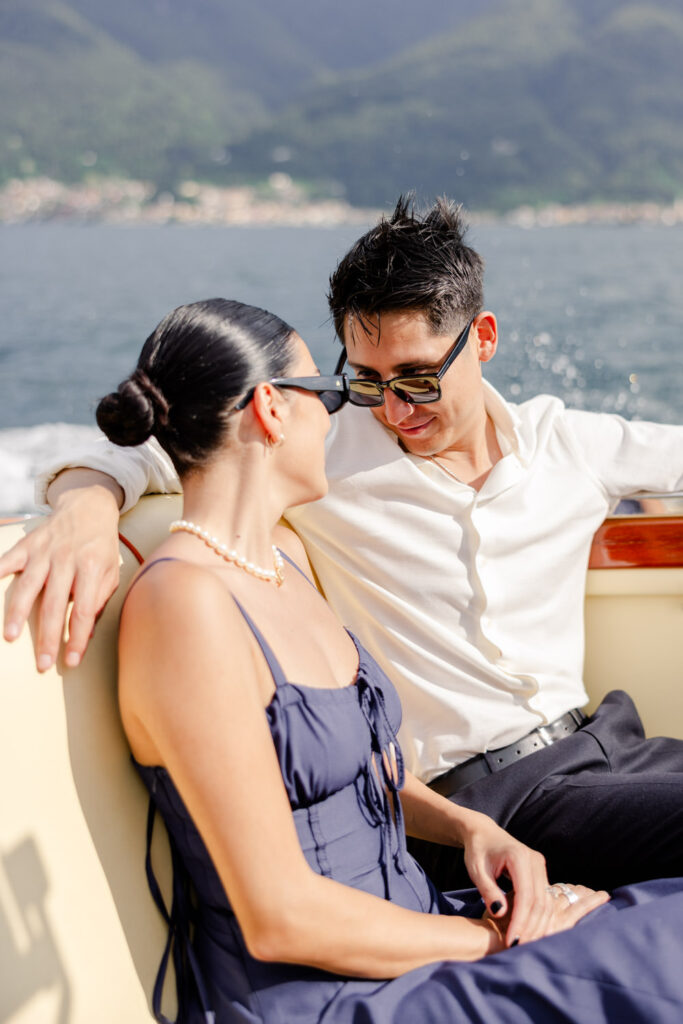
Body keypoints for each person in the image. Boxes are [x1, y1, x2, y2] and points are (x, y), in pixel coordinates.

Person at [2, 198, 683, 893]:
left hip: (611, 746)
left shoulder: (565, 443)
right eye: (365, 382)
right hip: (483, 803)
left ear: (481, 338)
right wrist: (86, 508)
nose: (394, 409)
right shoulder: (321, 450)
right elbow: (155, 445)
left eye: (417, 378)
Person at [90, 296, 683, 1023]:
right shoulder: (185, 605)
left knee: (653, 908)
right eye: (332, 391)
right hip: (331, 989)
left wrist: (473, 829)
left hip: (417, 921)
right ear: (273, 410)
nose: (351, 412)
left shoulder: (283, 561)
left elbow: (353, 771)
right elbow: (278, 916)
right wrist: (492, 940)